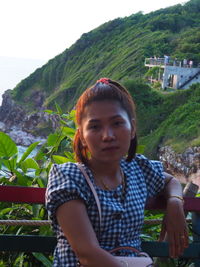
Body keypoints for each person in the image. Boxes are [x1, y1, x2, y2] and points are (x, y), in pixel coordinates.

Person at [46, 78, 188, 267]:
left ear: (132, 129)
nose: (108, 136)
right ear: (81, 136)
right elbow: (88, 254)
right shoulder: (69, 178)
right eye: (95, 126)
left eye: (117, 123)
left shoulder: (137, 169)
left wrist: (175, 204)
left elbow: (171, 182)